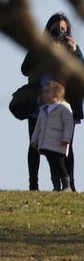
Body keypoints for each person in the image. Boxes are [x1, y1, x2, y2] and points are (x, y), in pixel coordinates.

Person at [21, 13, 84, 190]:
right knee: (35, 144)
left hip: (65, 106)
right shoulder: (39, 47)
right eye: (55, 29)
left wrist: (73, 51)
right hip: (39, 106)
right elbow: (24, 69)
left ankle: (69, 185)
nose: (59, 32)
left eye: (63, 29)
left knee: (66, 146)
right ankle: (33, 185)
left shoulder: (72, 49)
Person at [31, 80, 75, 192]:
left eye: (47, 92)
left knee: (60, 164)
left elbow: (68, 124)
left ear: (56, 94)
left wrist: (66, 138)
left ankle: (66, 185)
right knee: (52, 166)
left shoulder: (63, 108)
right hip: (46, 143)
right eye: (44, 92)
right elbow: (38, 127)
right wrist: (34, 139)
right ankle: (56, 186)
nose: (44, 94)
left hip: (58, 143)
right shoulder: (43, 110)